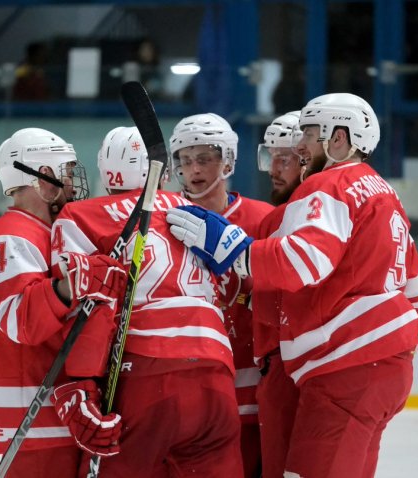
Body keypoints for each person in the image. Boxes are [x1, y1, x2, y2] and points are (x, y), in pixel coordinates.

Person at [167, 93, 418, 478]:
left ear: (339, 139)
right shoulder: (381, 191)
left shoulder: (330, 185)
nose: (299, 147)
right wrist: (392, 334)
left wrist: (233, 248)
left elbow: (302, 262)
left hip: (345, 368)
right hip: (380, 368)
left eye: (308, 134)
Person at [50, 126, 244, 477]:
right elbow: (231, 288)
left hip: (147, 374)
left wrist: (78, 384)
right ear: (162, 170)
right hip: (216, 372)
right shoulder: (195, 212)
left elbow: (90, 308)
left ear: (104, 168)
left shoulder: (81, 217)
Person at [0, 127, 127, 478]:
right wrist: (69, 287)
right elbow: (19, 319)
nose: (73, 183)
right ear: (44, 176)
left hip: (59, 413)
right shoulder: (11, 235)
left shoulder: (56, 232)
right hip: (35, 416)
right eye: (68, 172)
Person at [169, 113, 273, 478]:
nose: (194, 169)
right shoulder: (164, 221)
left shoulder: (264, 219)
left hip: (252, 388)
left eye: (205, 158)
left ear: (227, 161)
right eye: (185, 159)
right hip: (184, 388)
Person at [253, 111, 306, 478]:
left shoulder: (281, 218)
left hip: (285, 367)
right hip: (313, 367)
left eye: (284, 158)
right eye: (269, 156)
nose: (273, 168)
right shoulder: (344, 208)